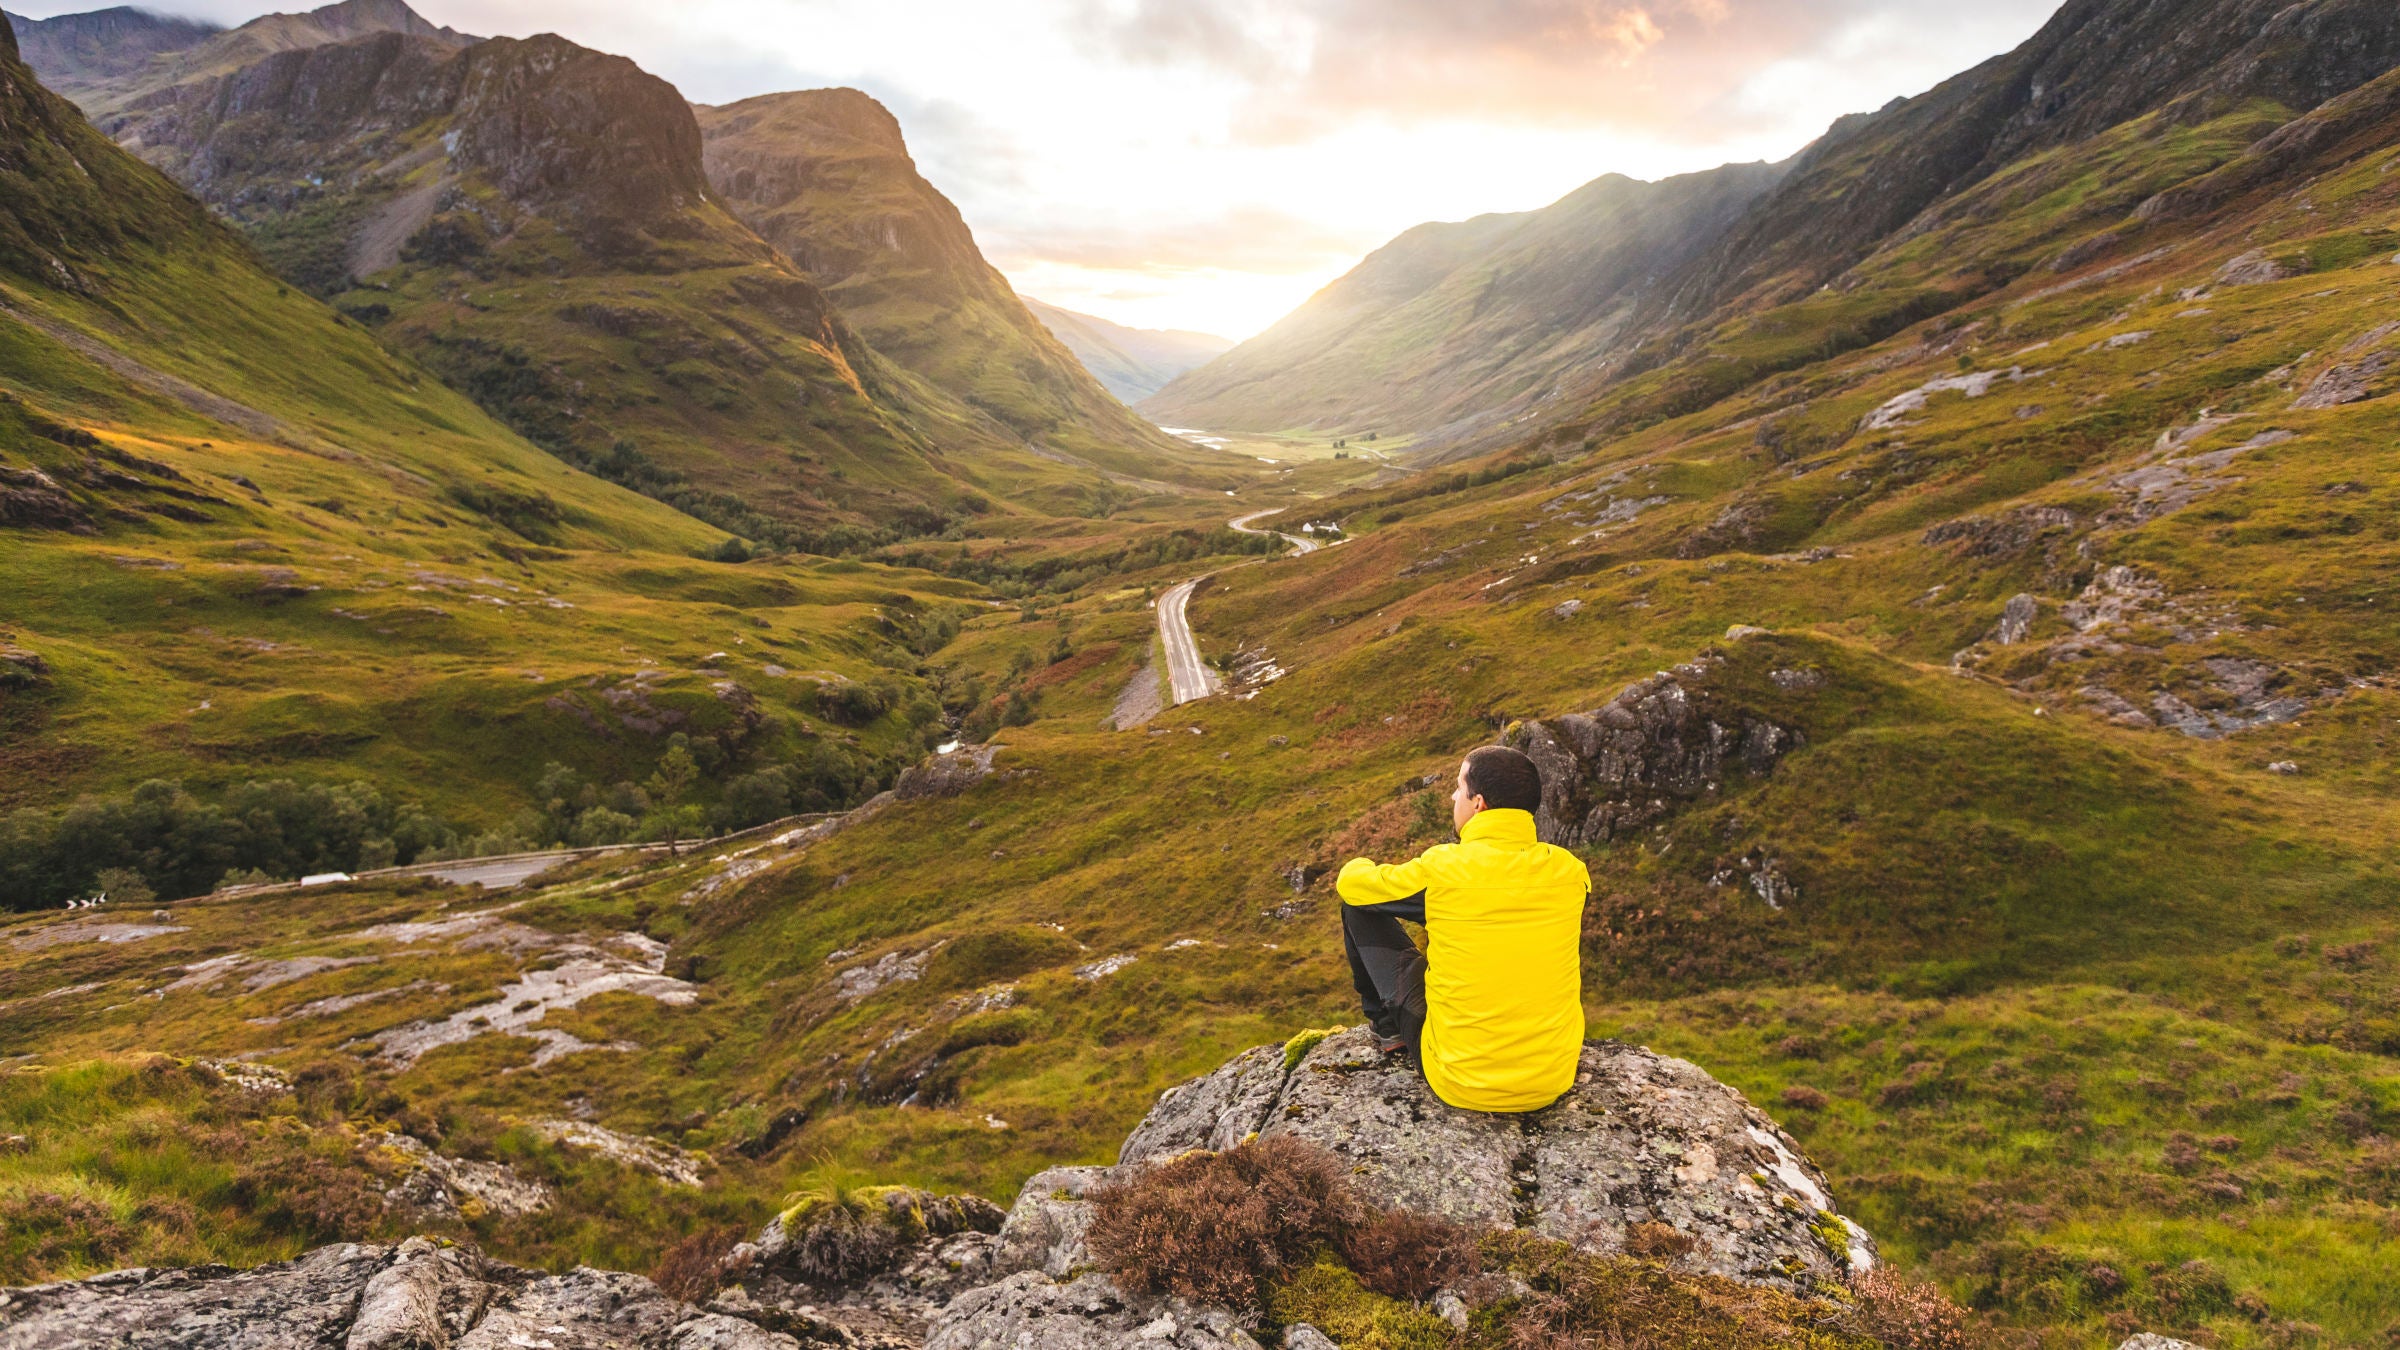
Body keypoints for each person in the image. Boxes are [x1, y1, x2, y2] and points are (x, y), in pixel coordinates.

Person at [1337, 745, 1590, 1114]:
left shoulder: (1444, 869)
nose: (1454, 796)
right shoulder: (1570, 873)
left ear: (1479, 804)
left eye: (1459, 787)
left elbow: (1353, 887)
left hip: (1459, 1080)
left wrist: (1359, 860)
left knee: (1357, 911)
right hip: (1552, 1078)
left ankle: (1388, 1031)